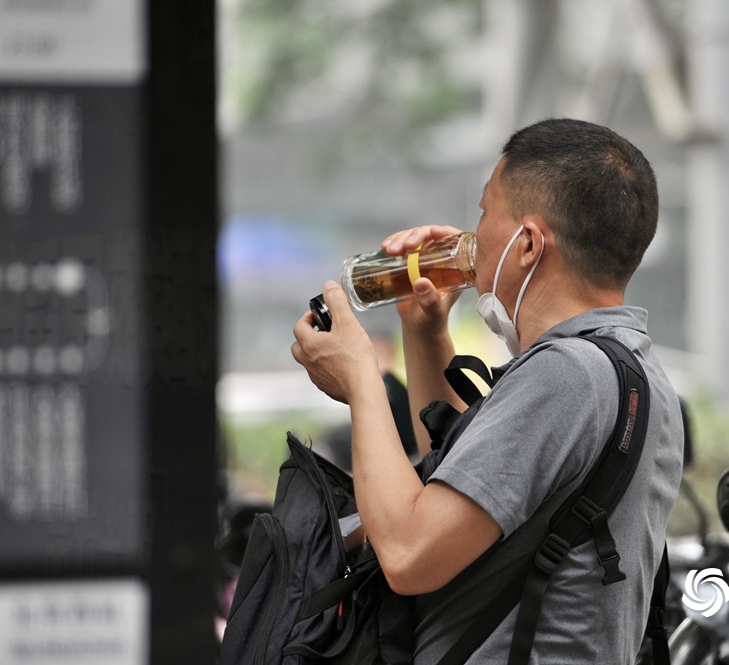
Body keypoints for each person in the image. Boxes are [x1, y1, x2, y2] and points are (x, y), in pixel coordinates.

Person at [291, 118, 685, 664]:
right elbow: (461, 480)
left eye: (484, 213)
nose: (472, 240)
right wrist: (425, 329)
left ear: (527, 243)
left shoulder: (567, 375)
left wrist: (362, 380)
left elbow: (409, 552)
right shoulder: (620, 363)